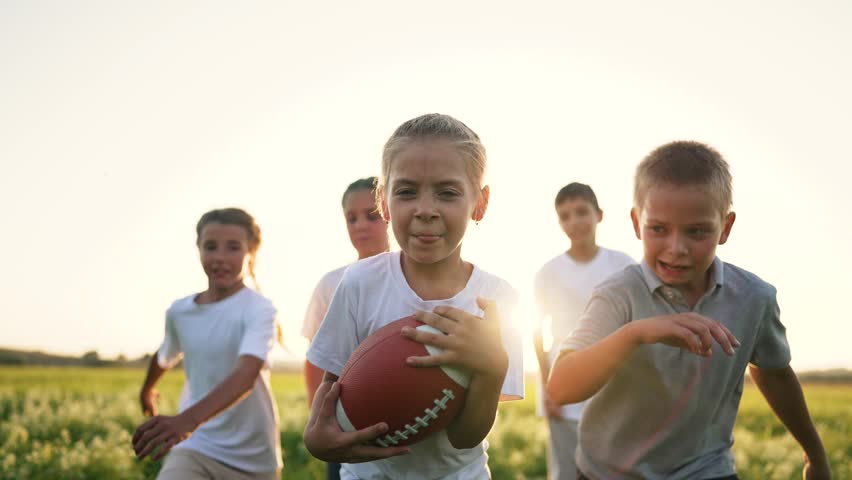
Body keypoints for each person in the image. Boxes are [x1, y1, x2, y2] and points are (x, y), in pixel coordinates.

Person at [547, 141, 830, 479]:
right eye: (658, 229)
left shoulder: (754, 298)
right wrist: (637, 333)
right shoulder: (618, 294)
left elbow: (773, 371)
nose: (676, 248)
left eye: (696, 231)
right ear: (637, 223)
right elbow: (561, 387)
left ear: (725, 227)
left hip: (705, 469)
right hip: (609, 472)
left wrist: (815, 454)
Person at [303, 113, 524, 479]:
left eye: (447, 193)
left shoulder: (497, 300)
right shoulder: (360, 282)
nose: (425, 210)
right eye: (406, 192)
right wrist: (316, 439)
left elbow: (465, 437)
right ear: (384, 201)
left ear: (480, 203)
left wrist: (491, 367)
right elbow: (334, 388)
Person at [133, 208, 283, 480]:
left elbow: (246, 376)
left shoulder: (259, 310)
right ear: (198, 249)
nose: (221, 258)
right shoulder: (180, 312)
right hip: (195, 446)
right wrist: (147, 389)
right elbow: (166, 355)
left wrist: (185, 421)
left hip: (253, 457)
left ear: (251, 251)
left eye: (233, 248)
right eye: (211, 247)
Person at [533, 182, 634, 480]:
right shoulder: (548, 272)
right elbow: (537, 332)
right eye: (565, 216)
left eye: (581, 212)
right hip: (563, 381)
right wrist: (549, 388)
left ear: (599, 214)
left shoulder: (623, 265)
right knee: (567, 470)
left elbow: (635, 323)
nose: (574, 221)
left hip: (614, 382)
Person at [303, 176, 390, 479]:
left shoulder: (415, 278)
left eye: (372, 215)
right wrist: (321, 419)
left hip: (404, 412)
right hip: (346, 422)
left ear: (391, 213)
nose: (360, 225)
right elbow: (317, 358)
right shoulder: (331, 283)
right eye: (351, 218)